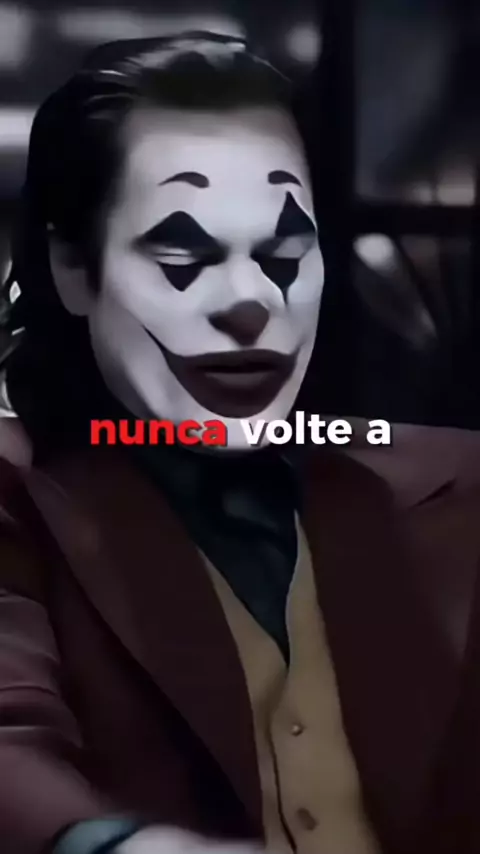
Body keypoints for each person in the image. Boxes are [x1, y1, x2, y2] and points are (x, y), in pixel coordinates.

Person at [1, 31, 480, 854]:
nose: (252, 302)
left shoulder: (452, 485)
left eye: (286, 253)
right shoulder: (18, 494)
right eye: (183, 255)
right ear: (74, 268)